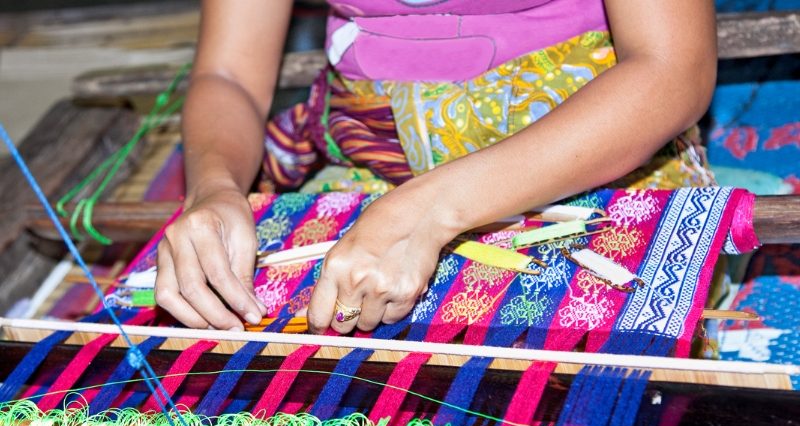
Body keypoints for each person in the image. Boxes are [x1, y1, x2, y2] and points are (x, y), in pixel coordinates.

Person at [154, 0, 717, 337]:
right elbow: (228, 76)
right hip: (371, 156)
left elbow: (670, 73)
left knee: (597, 386)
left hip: (586, 156)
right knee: (285, 403)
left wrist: (432, 208)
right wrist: (215, 187)